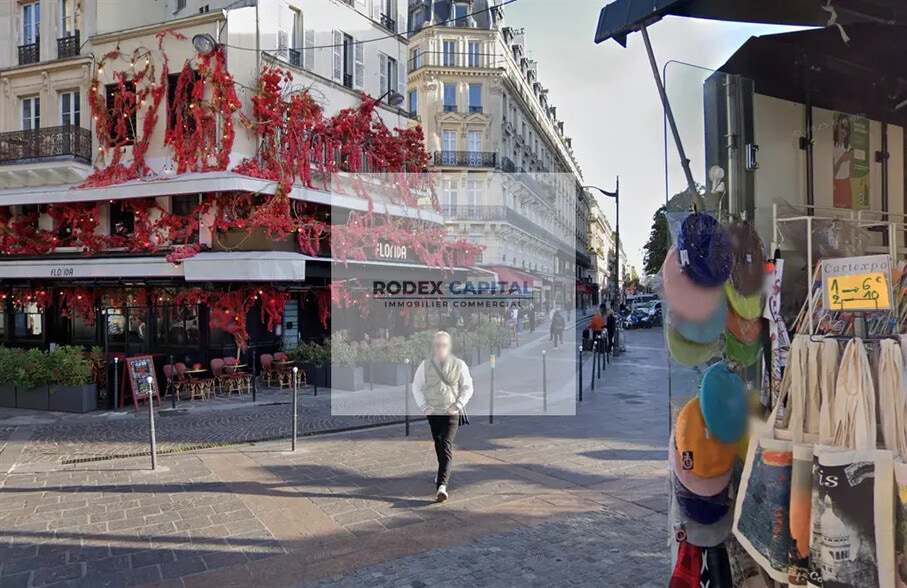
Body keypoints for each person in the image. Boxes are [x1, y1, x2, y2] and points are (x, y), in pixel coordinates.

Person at [411, 331, 474, 502]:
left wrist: (458, 405)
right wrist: (424, 406)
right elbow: (416, 386)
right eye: (438, 345)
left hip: (450, 412)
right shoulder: (425, 365)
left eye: (444, 345)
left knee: (446, 444)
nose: (441, 348)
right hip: (434, 413)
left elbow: (468, 387)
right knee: (438, 443)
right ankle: (442, 473)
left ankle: (442, 486)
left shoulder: (459, 365)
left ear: (449, 347)